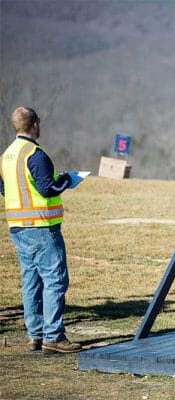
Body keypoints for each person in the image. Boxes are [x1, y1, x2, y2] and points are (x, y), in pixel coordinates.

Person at [0, 107, 82, 354]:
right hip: (42, 227)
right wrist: (69, 179)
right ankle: (53, 336)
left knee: (31, 281)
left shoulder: (7, 155)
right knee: (55, 280)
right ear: (35, 123)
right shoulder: (35, 154)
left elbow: (4, 188)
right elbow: (48, 188)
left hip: (18, 228)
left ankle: (35, 334)